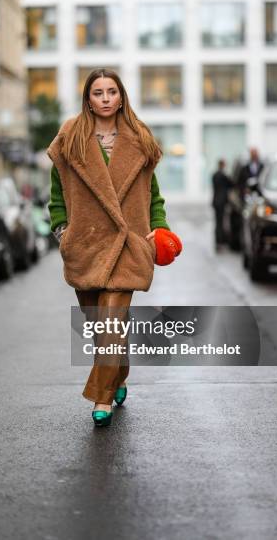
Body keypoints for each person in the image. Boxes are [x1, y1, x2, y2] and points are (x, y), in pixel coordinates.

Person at [46, 68, 176, 427]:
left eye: (111, 92)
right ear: (88, 98)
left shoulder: (140, 141)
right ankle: (117, 372)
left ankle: (100, 399)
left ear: (121, 97)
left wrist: (159, 228)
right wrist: (61, 230)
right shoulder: (69, 139)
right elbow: (57, 195)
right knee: (100, 327)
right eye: (98, 92)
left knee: (110, 322)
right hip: (85, 245)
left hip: (127, 244)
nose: (105, 98)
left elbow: (155, 196)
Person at [211, 159, 233, 250]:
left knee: (218, 223)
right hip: (222, 202)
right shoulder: (223, 176)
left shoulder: (215, 175)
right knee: (220, 223)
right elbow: (232, 184)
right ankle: (220, 241)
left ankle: (218, 242)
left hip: (216, 201)